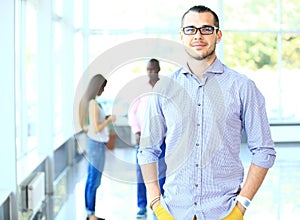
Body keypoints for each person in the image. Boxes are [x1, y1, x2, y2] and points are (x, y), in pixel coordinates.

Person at [137, 5, 276, 220]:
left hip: (224, 211)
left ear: (218, 35)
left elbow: (264, 151)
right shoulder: (163, 89)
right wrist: (156, 203)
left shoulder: (242, 87)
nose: (198, 36)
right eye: (191, 29)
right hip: (173, 211)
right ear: (181, 36)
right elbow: (147, 149)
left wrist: (241, 207)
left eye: (206, 29)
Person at [128, 59, 166, 219]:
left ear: (158, 69)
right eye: (148, 69)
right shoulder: (140, 89)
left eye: (154, 69)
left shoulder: (165, 87)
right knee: (141, 173)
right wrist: (136, 131)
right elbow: (132, 111)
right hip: (143, 137)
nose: (151, 72)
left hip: (163, 137)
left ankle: (160, 205)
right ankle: (142, 206)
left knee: (162, 172)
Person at [79, 74, 116, 220]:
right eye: (103, 87)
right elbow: (96, 128)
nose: (103, 91)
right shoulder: (93, 103)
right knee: (94, 180)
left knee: (91, 179)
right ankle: (90, 214)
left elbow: (86, 126)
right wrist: (109, 120)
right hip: (96, 146)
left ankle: (90, 212)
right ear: (98, 87)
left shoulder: (89, 103)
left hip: (94, 144)